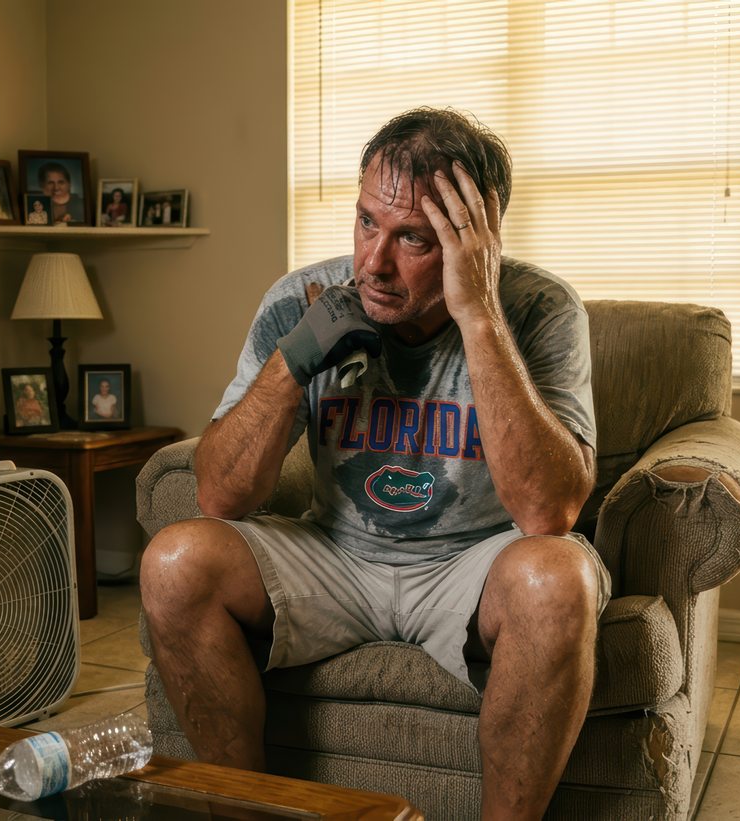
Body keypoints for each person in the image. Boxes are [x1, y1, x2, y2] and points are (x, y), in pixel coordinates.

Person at [139, 107, 609, 820]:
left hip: (472, 564)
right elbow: (219, 494)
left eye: (412, 238)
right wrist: (297, 359)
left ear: (473, 240)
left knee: (558, 577)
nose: (374, 263)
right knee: (174, 561)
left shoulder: (540, 309)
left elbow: (549, 513)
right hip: (335, 553)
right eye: (366, 223)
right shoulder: (304, 300)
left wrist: (478, 312)